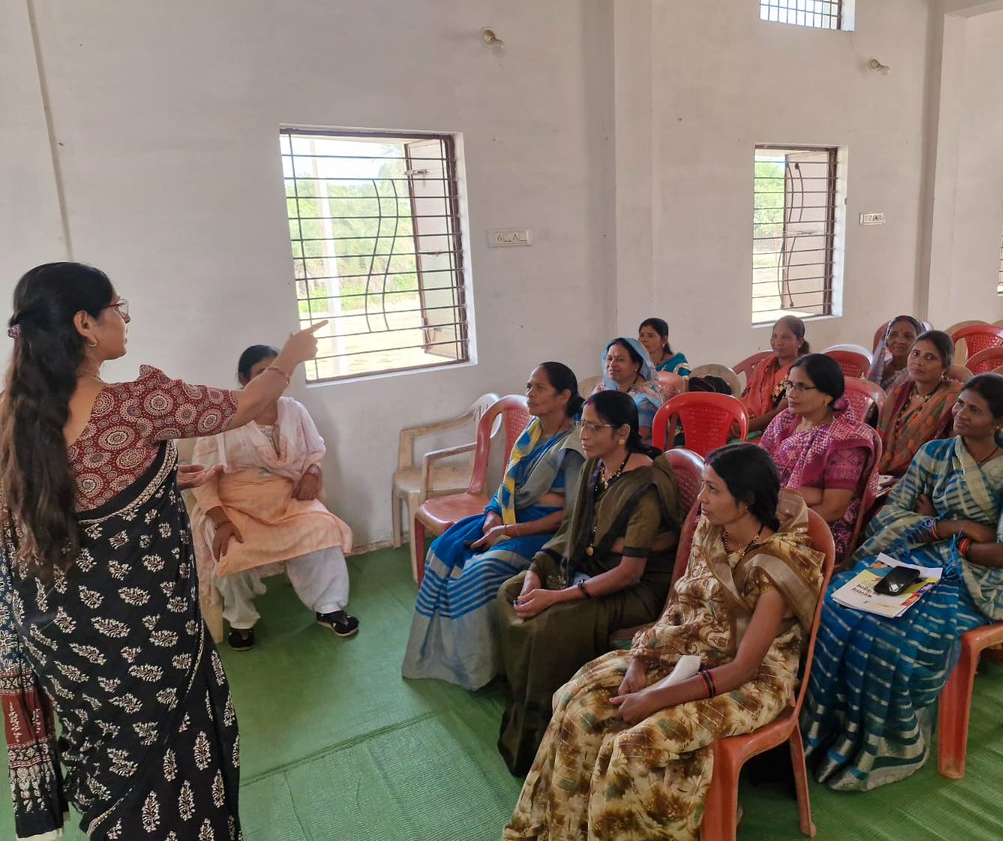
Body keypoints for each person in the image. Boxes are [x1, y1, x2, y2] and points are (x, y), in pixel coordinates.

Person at [0, 262, 324, 840]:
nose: (125, 318)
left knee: (111, 765)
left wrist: (156, 482)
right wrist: (291, 355)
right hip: (145, 639)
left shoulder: (10, 412)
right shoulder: (136, 404)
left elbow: (58, 498)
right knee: (174, 767)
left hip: (64, 643)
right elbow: (246, 404)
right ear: (85, 324)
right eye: (116, 307)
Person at [503, 444, 824, 840]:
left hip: (751, 680)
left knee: (633, 747)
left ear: (746, 502)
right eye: (703, 486)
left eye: (712, 490)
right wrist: (640, 661)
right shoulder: (713, 531)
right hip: (688, 650)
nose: (700, 500)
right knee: (578, 702)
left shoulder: (776, 565)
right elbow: (679, 604)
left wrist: (655, 698)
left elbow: (743, 667)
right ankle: (563, 831)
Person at [803, 374, 1003, 791]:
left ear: (999, 422)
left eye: (974, 410)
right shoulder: (935, 453)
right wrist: (951, 526)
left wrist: (954, 542)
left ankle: (888, 745)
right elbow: (892, 515)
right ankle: (823, 733)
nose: (960, 414)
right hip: (914, 558)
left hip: (973, 577)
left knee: (896, 638)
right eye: (960, 404)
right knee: (838, 609)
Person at [494, 391, 682, 775]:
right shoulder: (595, 467)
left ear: (623, 432)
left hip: (633, 590)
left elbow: (630, 572)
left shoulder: (644, 484)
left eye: (595, 427)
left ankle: (544, 737)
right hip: (592, 566)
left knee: (550, 621)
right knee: (510, 592)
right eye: (584, 425)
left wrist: (556, 595)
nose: (584, 434)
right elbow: (571, 530)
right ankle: (523, 707)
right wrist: (537, 569)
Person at [402, 363, 585, 689]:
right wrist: (492, 518)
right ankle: (448, 655)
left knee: (480, 570)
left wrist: (509, 532)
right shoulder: (533, 432)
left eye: (539, 388)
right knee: (443, 552)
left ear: (564, 396)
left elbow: (569, 517)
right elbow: (506, 488)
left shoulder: (572, 446)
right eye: (528, 386)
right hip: (504, 520)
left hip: (542, 534)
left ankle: (481, 667)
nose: (530, 394)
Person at [188, 345, 358, 651]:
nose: (271, 381)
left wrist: (313, 474)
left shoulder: (295, 410)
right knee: (230, 548)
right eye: (260, 374)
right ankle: (241, 620)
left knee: (321, 528)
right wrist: (220, 518)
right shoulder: (223, 417)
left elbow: (315, 452)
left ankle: (329, 606)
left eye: (277, 373)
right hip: (235, 503)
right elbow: (203, 476)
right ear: (243, 379)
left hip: (285, 495)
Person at [759, 353, 879, 559]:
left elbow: (832, 510)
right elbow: (757, 469)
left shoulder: (845, 440)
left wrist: (777, 527)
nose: (791, 393)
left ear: (828, 395)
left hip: (819, 529)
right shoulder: (785, 420)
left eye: (801, 387)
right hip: (772, 510)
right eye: (789, 385)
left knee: (750, 548)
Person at [876, 330, 961, 478]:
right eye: (915, 354)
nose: (919, 362)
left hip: (928, 479)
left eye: (930, 357)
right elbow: (881, 438)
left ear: (945, 366)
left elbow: (955, 452)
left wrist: (913, 482)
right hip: (884, 475)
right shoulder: (899, 394)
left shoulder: (952, 399)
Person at [741, 315, 810, 435]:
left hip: (782, 430)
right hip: (750, 422)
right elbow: (748, 397)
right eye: (774, 336)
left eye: (785, 337)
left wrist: (739, 428)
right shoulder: (765, 365)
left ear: (799, 342)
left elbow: (780, 413)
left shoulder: (800, 372)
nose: (777, 342)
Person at [594, 337, 663, 440]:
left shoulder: (646, 400)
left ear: (636, 365)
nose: (612, 364)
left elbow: (635, 440)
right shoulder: (604, 389)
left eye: (620, 359)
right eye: (609, 359)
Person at [867, 315, 923, 392]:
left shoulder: (918, 373)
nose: (900, 341)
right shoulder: (880, 368)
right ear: (886, 339)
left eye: (908, 336)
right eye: (893, 335)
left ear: (919, 341)